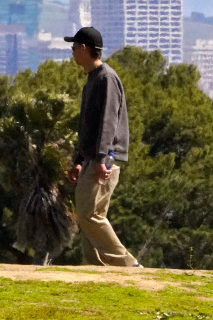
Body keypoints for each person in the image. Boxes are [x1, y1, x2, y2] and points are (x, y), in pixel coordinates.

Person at [64, 27, 141, 267]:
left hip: (103, 160)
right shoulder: (93, 78)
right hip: (93, 159)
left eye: (74, 47)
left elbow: (108, 122)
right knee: (92, 216)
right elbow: (88, 126)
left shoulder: (106, 78)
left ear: (84, 49)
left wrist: (103, 159)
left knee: (88, 214)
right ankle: (96, 267)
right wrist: (78, 160)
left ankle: (128, 264)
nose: (72, 52)